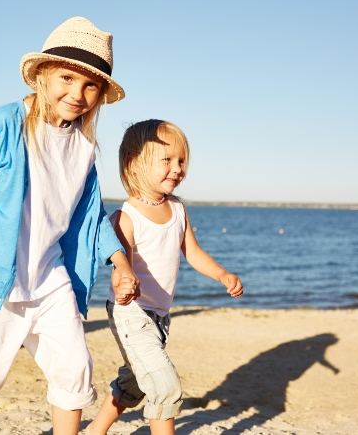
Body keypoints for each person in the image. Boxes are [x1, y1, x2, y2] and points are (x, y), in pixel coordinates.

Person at [0, 17, 139, 435]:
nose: (76, 94)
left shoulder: (83, 147)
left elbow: (91, 216)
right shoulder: (7, 121)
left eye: (90, 86)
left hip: (52, 276)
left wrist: (121, 262)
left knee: (74, 368)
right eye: (66, 78)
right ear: (43, 74)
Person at [86, 119, 244, 435]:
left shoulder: (178, 209)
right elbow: (121, 266)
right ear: (134, 164)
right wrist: (123, 284)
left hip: (160, 317)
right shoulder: (126, 217)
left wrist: (222, 274)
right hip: (131, 314)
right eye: (167, 160)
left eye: (182, 161)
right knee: (164, 385)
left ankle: (94, 431)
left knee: (134, 382)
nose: (177, 168)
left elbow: (193, 253)